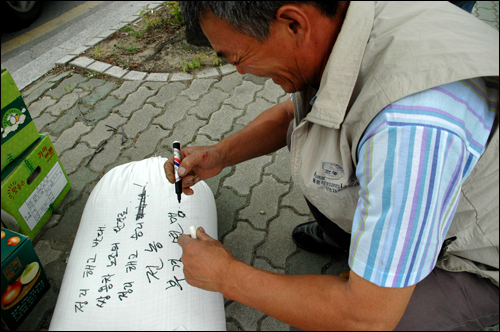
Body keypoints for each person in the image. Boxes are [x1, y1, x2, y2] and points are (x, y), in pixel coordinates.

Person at [164, 2, 499, 330]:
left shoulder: (409, 126)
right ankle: (356, 245)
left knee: (346, 322)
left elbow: (366, 318)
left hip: (478, 256)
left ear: (294, 23)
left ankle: (383, 268)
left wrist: (226, 276)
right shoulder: (345, 21)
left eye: (239, 57)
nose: (241, 72)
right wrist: (221, 154)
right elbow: (292, 114)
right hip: (437, 191)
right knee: (308, 133)